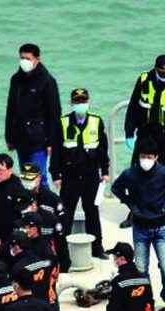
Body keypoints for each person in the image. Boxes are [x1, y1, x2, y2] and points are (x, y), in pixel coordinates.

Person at [110, 138, 165, 310]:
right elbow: (116, 188)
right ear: (138, 157)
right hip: (140, 228)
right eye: (143, 156)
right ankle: (145, 297)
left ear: (156, 157)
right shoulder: (130, 174)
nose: (146, 160)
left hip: (161, 228)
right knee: (141, 268)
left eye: (149, 156)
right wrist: (130, 204)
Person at [121, 54, 165, 229]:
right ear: (156, 68)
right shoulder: (144, 79)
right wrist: (129, 132)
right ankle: (135, 213)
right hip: (145, 134)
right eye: (161, 72)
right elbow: (133, 107)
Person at [51, 87, 110, 256]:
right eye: (77, 102)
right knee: (65, 213)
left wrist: (105, 171)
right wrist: (55, 175)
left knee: (92, 212)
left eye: (83, 101)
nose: (80, 104)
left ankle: (97, 248)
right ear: (71, 103)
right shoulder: (62, 123)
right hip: (69, 177)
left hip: (91, 175)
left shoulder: (97, 122)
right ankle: (63, 250)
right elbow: (56, 151)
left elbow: (102, 149)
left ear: (88, 102)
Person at [5, 43, 61, 187]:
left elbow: (54, 113)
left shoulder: (47, 81)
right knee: (26, 177)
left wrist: (51, 141)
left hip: (39, 139)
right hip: (20, 138)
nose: (24, 61)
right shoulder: (16, 80)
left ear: (38, 59)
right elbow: (11, 109)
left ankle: (46, 207)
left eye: (28, 58)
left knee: (39, 177)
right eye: (22, 58)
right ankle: (30, 206)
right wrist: (9, 136)